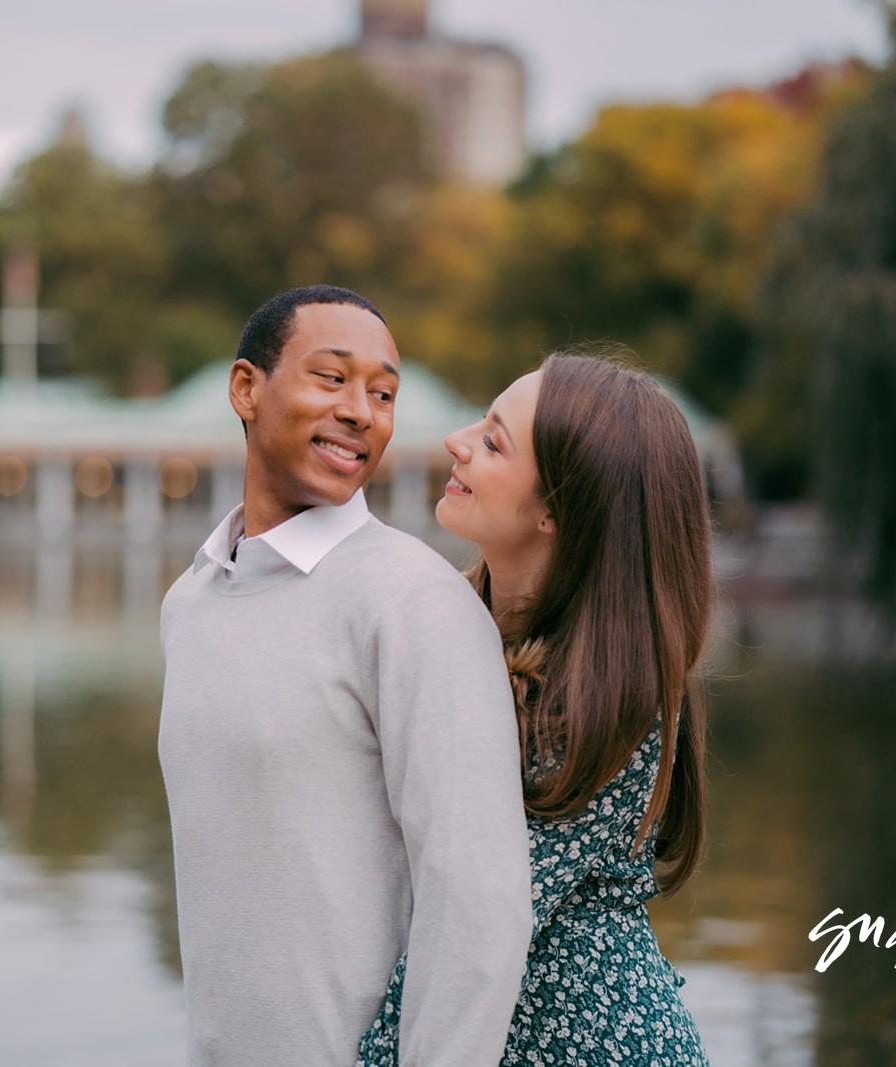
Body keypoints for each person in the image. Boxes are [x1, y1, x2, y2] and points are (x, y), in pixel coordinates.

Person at [158, 285, 532, 1067]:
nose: (363, 410)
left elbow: (478, 905)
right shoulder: (190, 601)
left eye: (385, 392)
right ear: (246, 389)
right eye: (333, 378)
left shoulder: (412, 601)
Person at [357, 348, 712, 1066]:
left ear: (555, 510)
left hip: (594, 1042)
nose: (457, 441)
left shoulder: (610, 700)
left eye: (492, 441)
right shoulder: (446, 622)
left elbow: (476, 918)